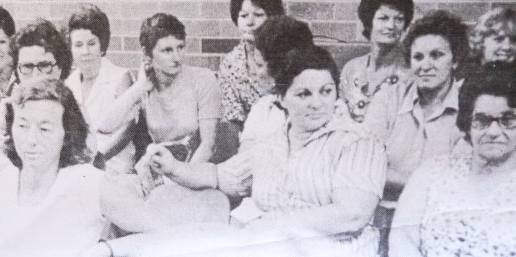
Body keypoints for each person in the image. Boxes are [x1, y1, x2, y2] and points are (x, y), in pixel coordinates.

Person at [99, 45, 386, 257]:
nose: (317, 103)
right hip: (268, 242)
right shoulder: (273, 142)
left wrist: (273, 224)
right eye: (304, 94)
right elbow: (222, 176)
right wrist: (173, 167)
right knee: (188, 240)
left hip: (329, 248)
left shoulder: (355, 142)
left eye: (326, 91)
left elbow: (352, 214)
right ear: (281, 99)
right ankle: (113, 250)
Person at [362, 10, 468, 255]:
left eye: (437, 55)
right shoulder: (390, 98)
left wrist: (392, 178)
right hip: (380, 217)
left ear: (454, 60)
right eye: (418, 57)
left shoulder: (468, 105)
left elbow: (458, 183)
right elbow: (363, 162)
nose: (425, 65)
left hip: (436, 222)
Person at [0, 78, 105, 257]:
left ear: (67, 134)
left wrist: (106, 250)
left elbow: (150, 231)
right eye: (22, 126)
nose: (31, 140)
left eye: (45, 129)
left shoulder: (89, 184)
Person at [390, 64, 516, 256]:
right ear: (467, 123)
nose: (493, 132)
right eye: (481, 120)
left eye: (507, 120)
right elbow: (402, 241)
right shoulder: (432, 172)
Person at [0, 19, 80, 184]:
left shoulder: (74, 113)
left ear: (60, 68)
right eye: (27, 67)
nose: (35, 77)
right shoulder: (5, 112)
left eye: (44, 66)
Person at [101, 13, 221, 164]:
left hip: (196, 170)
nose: (177, 57)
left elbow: (208, 146)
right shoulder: (146, 87)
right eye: (167, 50)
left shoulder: (204, 79)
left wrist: (182, 178)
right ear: (147, 53)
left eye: (180, 48)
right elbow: (105, 127)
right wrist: (139, 87)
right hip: (162, 170)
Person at [64, 5, 134, 174]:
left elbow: (128, 128)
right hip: (80, 167)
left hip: (114, 165)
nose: (85, 51)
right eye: (78, 45)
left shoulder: (121, 77)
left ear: (102, 44)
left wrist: (101, 156)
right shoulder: (69, 83)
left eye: (91, 43)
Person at [340, 0, 414, 122]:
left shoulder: (410, 73)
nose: (391, 26)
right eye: (383, 18)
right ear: (369, 21)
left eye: (399, 19)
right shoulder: (351, 68)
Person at [218, 0, 285, 133]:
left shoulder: (287, 56)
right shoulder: (229, 64)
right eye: (243, 15)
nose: (250, 22)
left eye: (258, 15)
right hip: (248, 138)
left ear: (272, 18)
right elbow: (232, 119)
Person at [457, 7, 516, 80]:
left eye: (514, 40)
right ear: (481, 41)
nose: (507, 47)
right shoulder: (463, 78)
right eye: (499, 39)